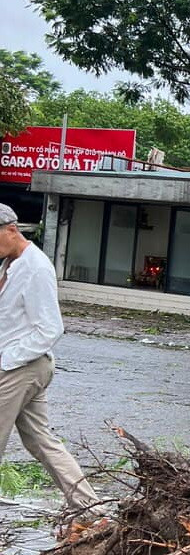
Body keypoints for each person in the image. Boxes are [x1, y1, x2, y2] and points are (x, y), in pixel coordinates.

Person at [0, 204, 104, 517]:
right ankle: (91, 508)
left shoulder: (36, 268)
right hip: (22, 365)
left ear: (12, 230)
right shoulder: (9, 264)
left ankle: (91, 509)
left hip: (23, 366)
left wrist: (7, 361)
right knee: (40, 440)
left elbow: (50, 328)